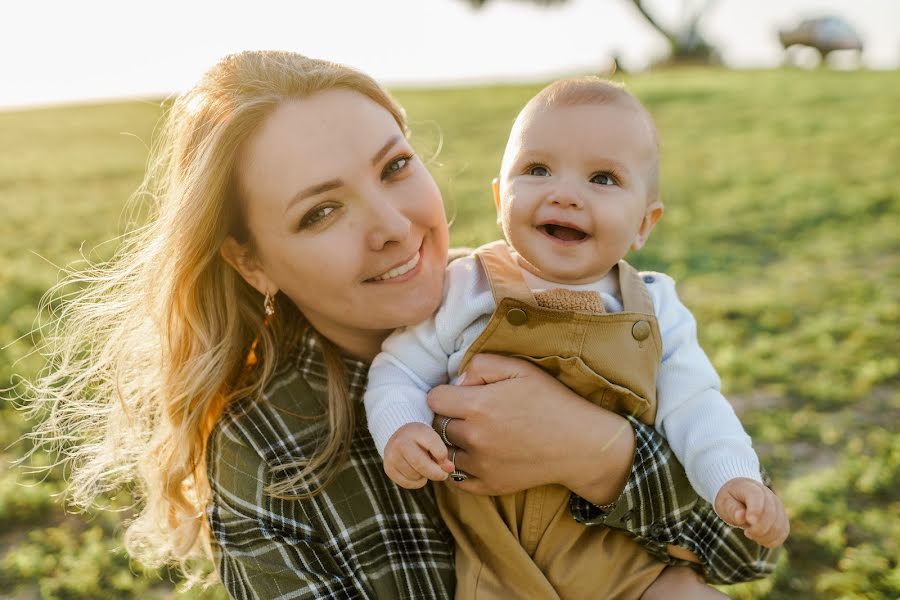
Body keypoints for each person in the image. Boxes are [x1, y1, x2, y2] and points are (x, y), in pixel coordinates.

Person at [25, 51, 779, 599]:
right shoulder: (267, 450)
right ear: (251, 262)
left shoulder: (599, 302)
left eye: (394, 168)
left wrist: (598, 455)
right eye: (321, 212)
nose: (392, 226)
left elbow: (745, 558)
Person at [365, 77, 789, 598]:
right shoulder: (467, 286)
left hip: (629, 566)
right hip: (501, 569)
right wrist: (401, 429)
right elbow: (398, 369)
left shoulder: (656, 309)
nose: (564, 194)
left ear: (643, 225)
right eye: (537, 170)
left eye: (603, 178)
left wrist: (732, 478)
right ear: (501, 198)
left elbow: (696, 406)